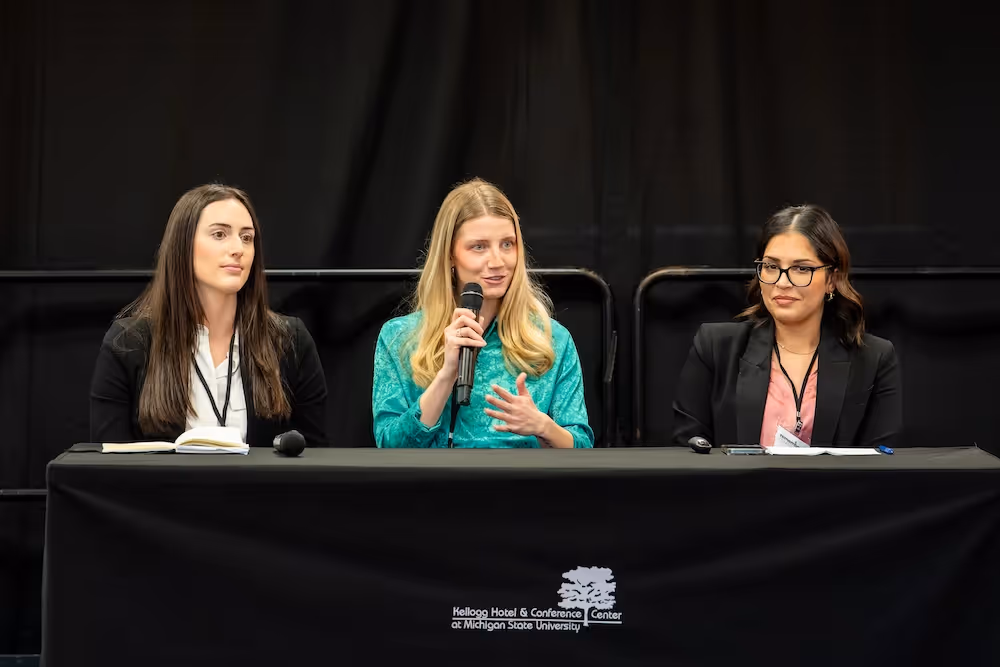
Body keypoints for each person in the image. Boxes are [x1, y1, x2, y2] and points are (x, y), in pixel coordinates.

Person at [90, 184, 328, 447]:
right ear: (182, 245)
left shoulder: (290, 341)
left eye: (247, 238)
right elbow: (109, 467)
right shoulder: (128, 343)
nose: (238, 248)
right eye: (219, 234)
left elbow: (314, 459)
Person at [372, 178, 593, 448]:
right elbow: (390, 447)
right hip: (434, 488)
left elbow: (582, 448)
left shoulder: (552, 340)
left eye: (507, 244)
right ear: (450, 254)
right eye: (479, 247)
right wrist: (447, 374)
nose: (498, 262)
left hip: (522, 487)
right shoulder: (400, 338)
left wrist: (543, 427)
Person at [672, 204, 901, 449]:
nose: (782, 282)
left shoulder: (874, 358)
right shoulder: (714, 347)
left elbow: (880, 467)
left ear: (832, 280)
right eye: (771, 266)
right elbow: (689, 450)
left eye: (801, 268)